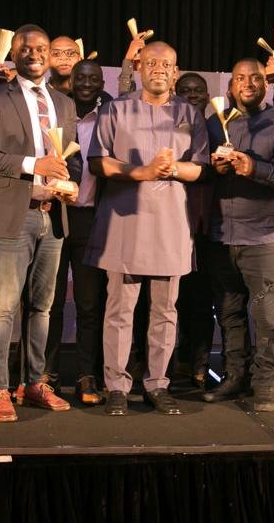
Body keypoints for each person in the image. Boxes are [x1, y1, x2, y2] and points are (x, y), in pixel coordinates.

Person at [0, 24, 79, 423]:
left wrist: (71, 185)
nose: (34, 53)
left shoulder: (64, 103)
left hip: (53, 216)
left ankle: (33, 382)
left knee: (42, 307)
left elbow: (71, 157)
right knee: (3, 307)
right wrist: (33, 165)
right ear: (13, 54)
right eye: (25, 48)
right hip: (12, 215)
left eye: (41, 48)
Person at [86, 41, 208, 416]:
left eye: (166, 64)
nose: (158, 69)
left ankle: (158, 383)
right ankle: (117, 386)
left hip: (171, 223)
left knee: (165, 310)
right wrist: (141, 172)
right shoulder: (115, 109)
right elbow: (98, 161)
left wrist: (173, 169)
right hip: (125, 222)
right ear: (138, 68)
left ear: (175, 72)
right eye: (151, 62)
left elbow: (200, 168)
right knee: (120, 310)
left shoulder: (190, 114)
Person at [199, 59, 274, 412]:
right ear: (230, 86)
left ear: (266, 84)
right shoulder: (214, 123)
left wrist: (256, 168)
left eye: (255, 78)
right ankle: (234, 377)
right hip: (220, 236)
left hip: (264, 239)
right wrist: (213, 169)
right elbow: (197, 172)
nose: (247, 83)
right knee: (229, 314)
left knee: (266, 318)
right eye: (240, 78)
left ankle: (265, 385)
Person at [43, 59, 112, 404]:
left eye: (92, 78)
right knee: (48, 303)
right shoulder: (56, 111)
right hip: (55, 214)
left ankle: (88, 375)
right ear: (70, 81)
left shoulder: (110, 116)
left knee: (89, 304)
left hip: (91, 218)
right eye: (80, 77)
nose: (86, 83)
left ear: (101, 84)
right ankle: (45, 374)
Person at [173, 72, 214, 386]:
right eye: (185, 90)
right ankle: (169, 364)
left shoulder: (219, 127)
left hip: (206, 225)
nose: (192, 95)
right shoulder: (168, 129)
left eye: (198, 90)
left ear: (207, 95)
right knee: (170, 301)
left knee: (201, 300)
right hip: (171, 224)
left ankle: (199, 365)